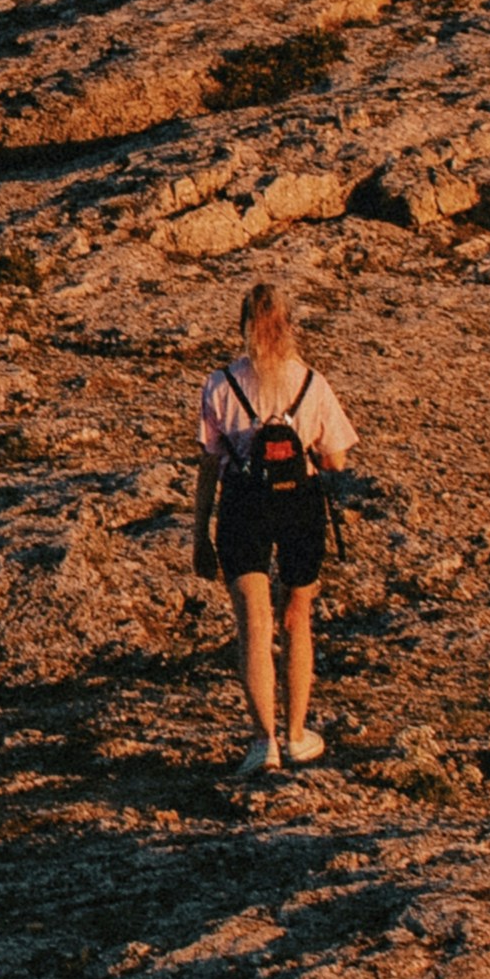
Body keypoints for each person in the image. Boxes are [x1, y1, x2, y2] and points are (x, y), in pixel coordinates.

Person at [193, 280, 358, 772]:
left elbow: (209, 464)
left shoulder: (220, 385)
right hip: (299, 508)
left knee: (253, 624)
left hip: (243, 505)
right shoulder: (312, 383)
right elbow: (336, 461)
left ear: (243, 326)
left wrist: (200, 533)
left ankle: (262, 741)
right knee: (297, 619)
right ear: (288, 326)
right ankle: (297, 733)